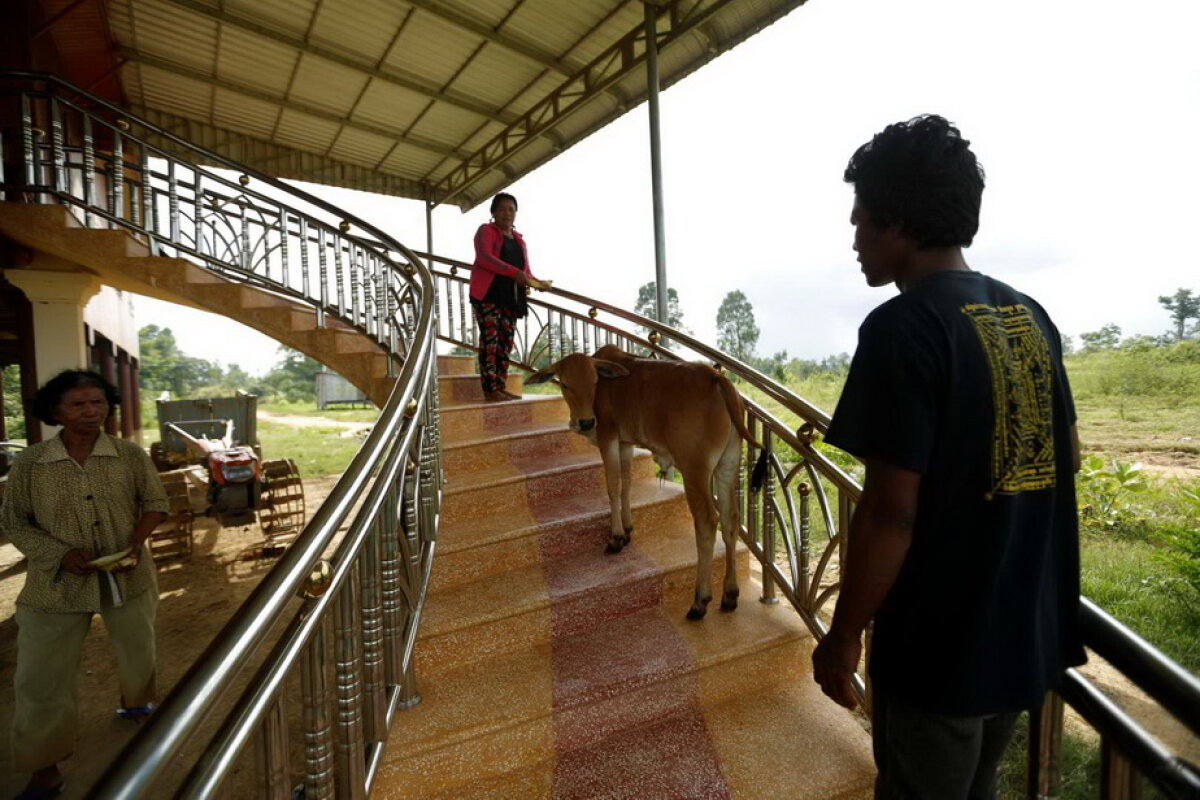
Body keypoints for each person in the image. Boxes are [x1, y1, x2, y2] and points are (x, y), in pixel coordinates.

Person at [810, 115, 1085, 799]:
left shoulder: (901, 330)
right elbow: (1068, 458)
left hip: (939, 656)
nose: (854, 240)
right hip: (1022, 642)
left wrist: (843, 636)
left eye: (861, 221)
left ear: (896, 222)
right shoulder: (1030, 315)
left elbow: (888, 517)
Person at [1, 370, 168, 799]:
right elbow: (14, 521)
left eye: (97, 402)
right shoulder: (31, 463)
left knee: (138, 648)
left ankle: (136, 703)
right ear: (56, 411)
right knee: (40, 678)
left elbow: (155, 503)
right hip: (54, 586)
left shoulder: (129, 455)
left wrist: (135, 544)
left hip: (127, 575)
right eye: (78, 404)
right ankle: (44, 768)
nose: (91, 411)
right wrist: (58, 553)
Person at [470, 192, 540, 402]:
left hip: (511, 297)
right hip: (489, 294)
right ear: (493, 212)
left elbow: (525, 270)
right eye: (502, 209)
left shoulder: (519, 241)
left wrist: (537, 282)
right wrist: (513, 273)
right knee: (491, 340)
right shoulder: (486, 231)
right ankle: (490, 388)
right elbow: (484, 258)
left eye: (511, 209)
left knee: (505, 342)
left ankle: (499, 385)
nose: (507, 213)